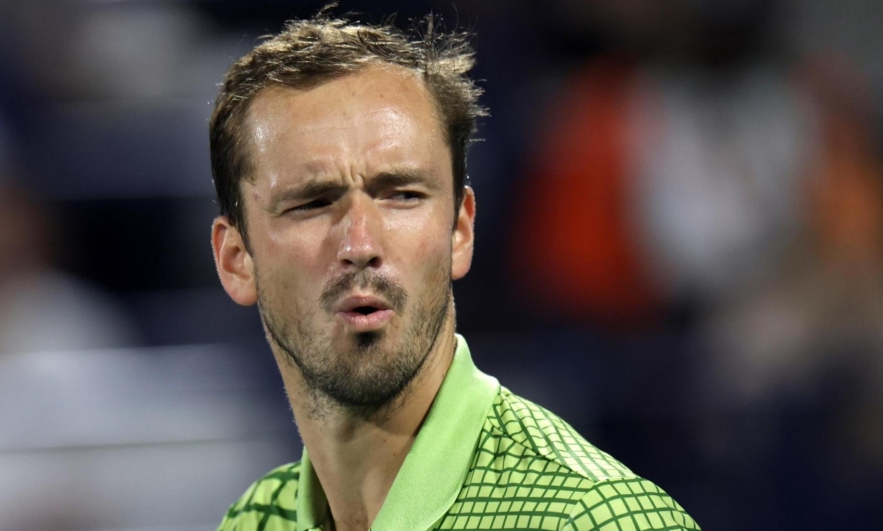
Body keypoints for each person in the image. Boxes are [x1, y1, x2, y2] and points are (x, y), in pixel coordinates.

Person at [208, 12, 699, 531]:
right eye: (312, 203)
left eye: (402, 195)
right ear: (236, 260)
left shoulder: (599, 520)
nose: (360, 245)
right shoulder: (254, 520)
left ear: (460, 232)